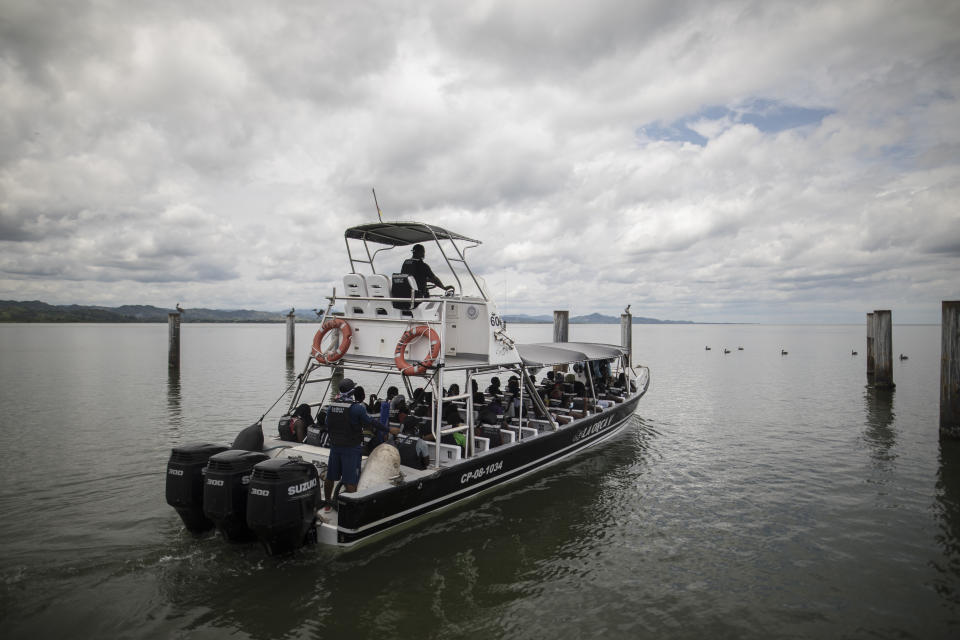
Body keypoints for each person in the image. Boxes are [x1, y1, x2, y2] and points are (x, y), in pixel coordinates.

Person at [323, 379, 379, 511]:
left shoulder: (332, 406)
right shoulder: (357, 408)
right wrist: (387, 429)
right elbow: (369, 423)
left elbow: (327, 423)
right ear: (352, 391)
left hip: (335, 447)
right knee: (350, 480)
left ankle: (327, 504)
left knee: (330, 477)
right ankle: (352, 510)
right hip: (351, 448)